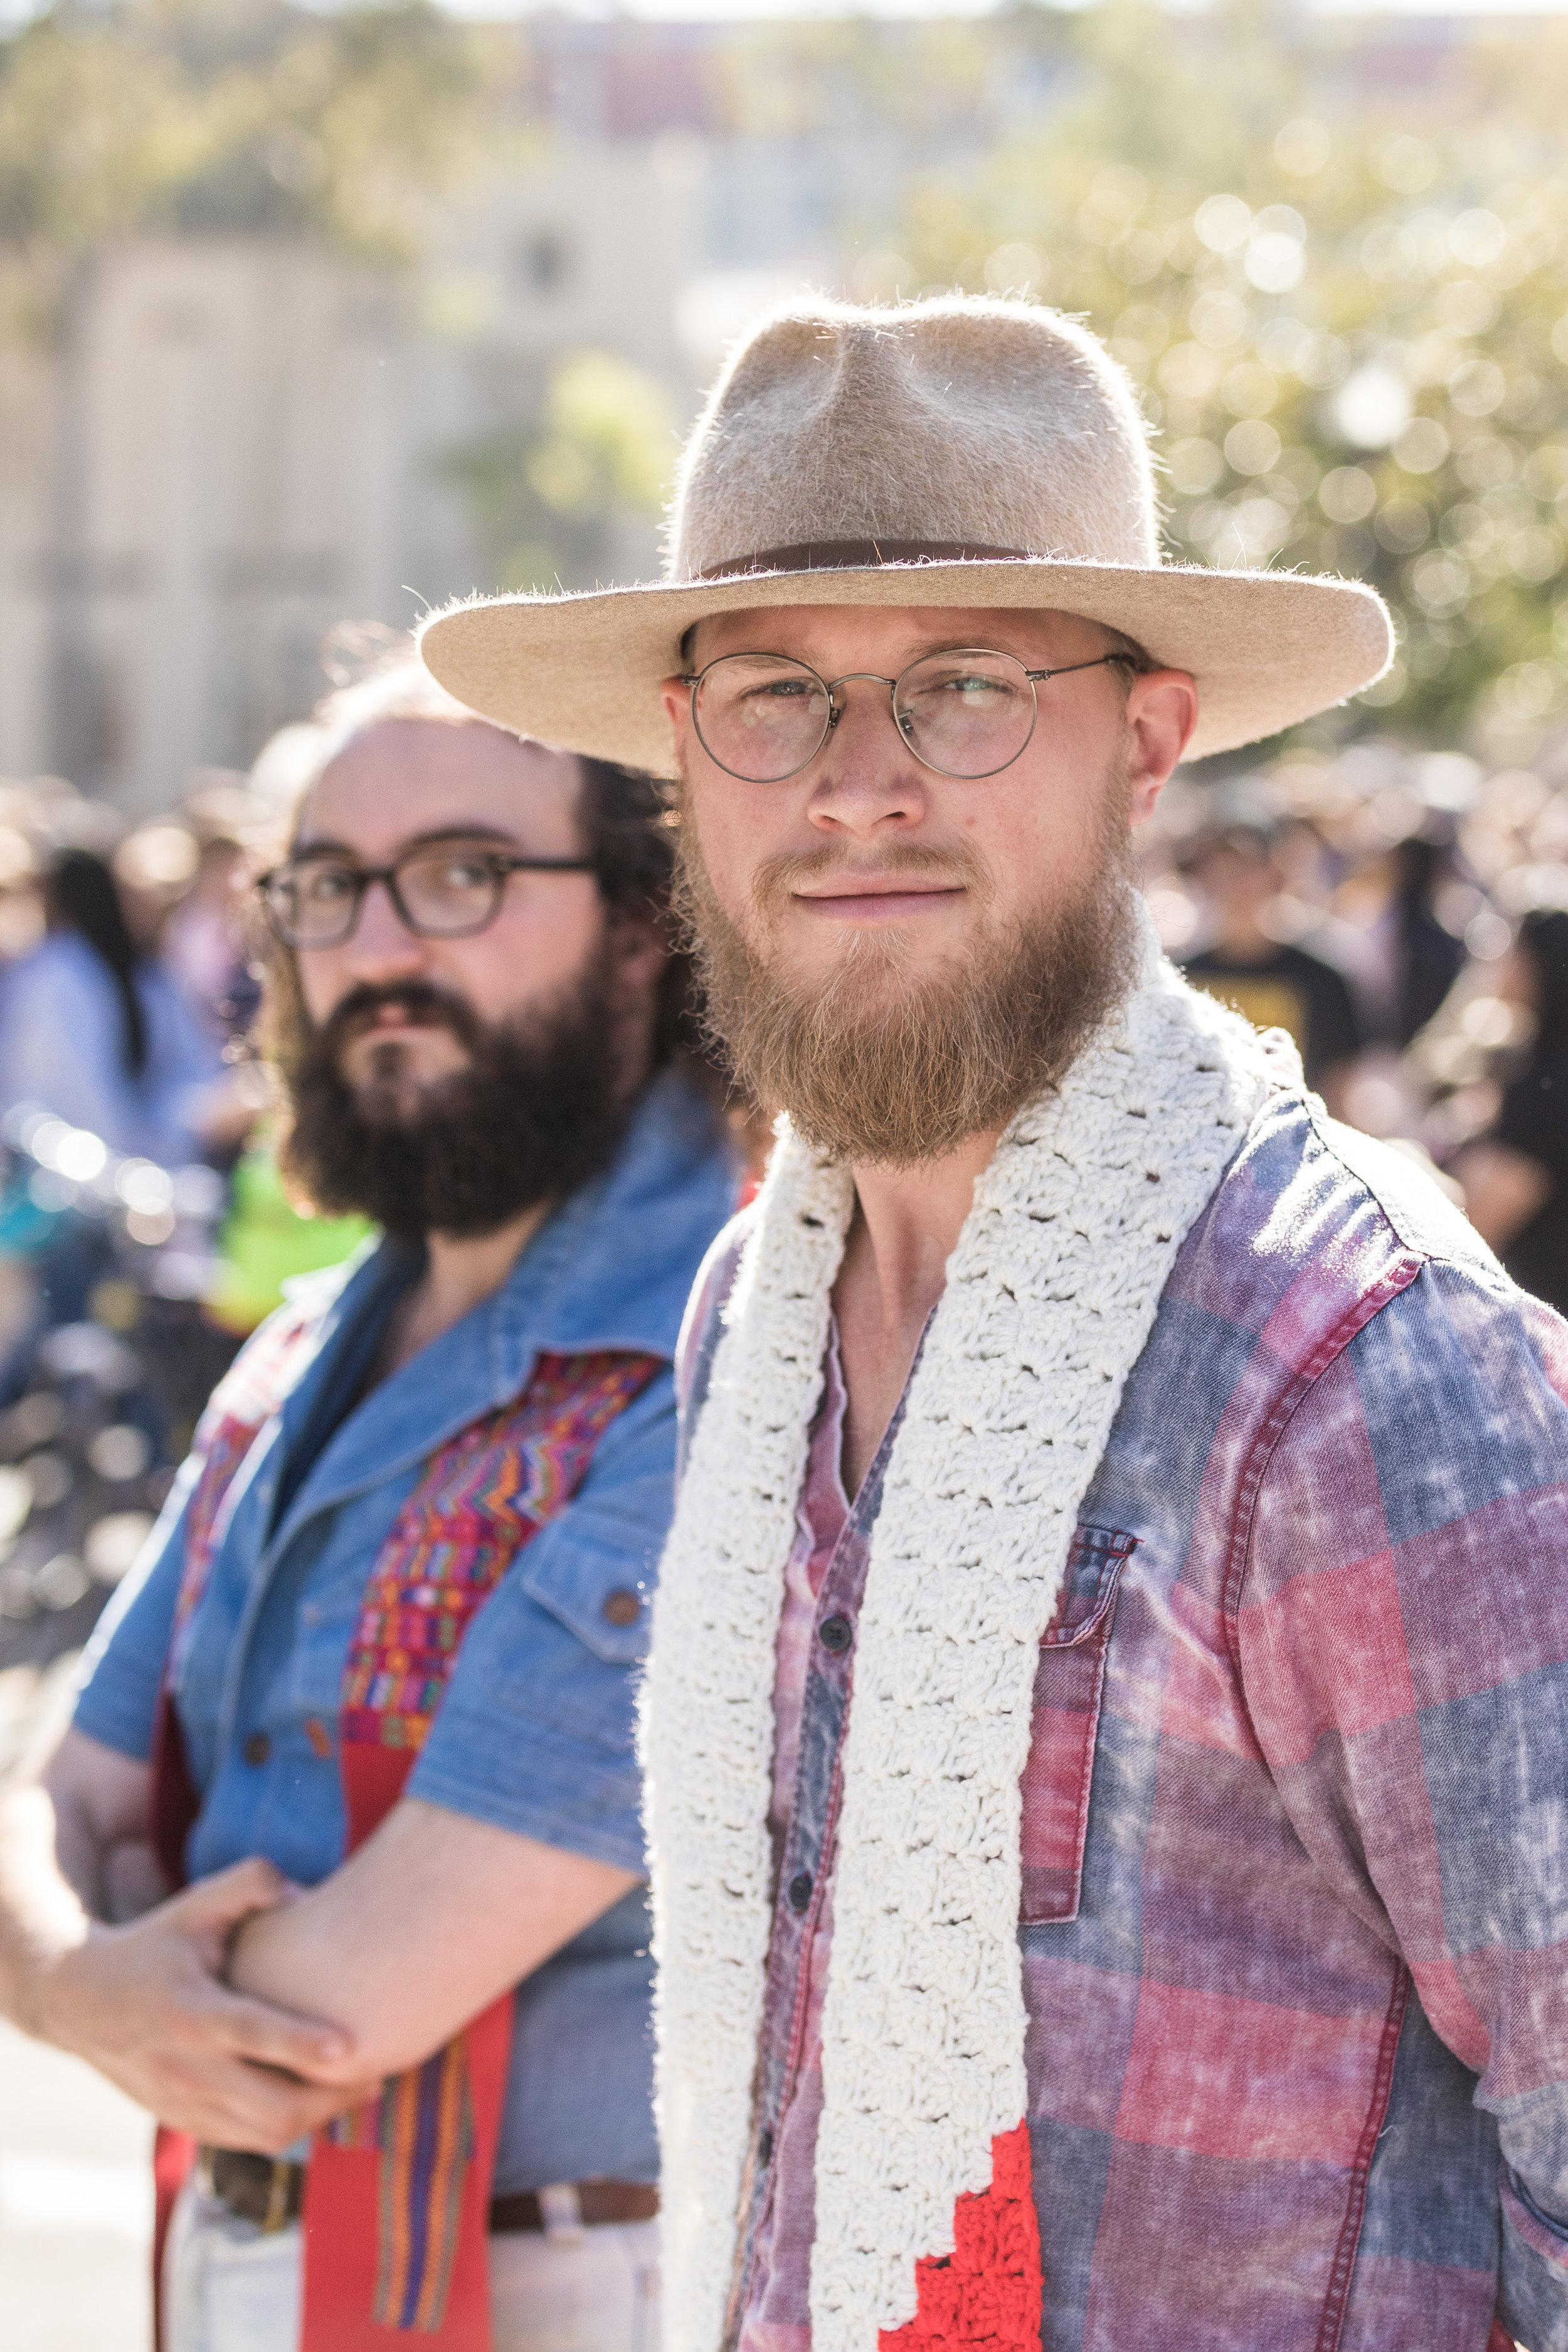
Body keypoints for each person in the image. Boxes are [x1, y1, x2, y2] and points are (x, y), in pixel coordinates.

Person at [421, 295, 1568, 2351]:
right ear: (684, 764)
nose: (859, 789)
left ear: (1147, 744)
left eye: (964, 688)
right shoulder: (746, 1314)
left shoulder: (1368, 1380)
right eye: (772, 697)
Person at [0, 658, 738, 2352]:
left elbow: (349, 2000)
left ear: (645, 917)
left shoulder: (725, 1350)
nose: (380, 945)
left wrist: (73, 1971)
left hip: (570, 2284)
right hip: (234, 2254)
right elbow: (52, 1801)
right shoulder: (292, 1355)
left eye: (466, 870)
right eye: (326, 885)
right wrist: (61, 1968)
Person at [0, 845, 225, 1165]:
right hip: (128, 1163)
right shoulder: (133, 972)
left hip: (79, 1171)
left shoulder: (58, 975)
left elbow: (76, 1096)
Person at [1180, 820, 1363, 1110]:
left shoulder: (1322, 980)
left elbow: (1339, 1086)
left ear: (1272, 875)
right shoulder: (1183, 981)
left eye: (1245, 870)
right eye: (1222, 871)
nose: (1234, 884)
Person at [1454, 905, 1568, 1316]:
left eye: (1512, 951)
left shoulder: (1546, 1085)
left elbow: (1482, 1224)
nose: (1497, 964)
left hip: (1542, 1326)